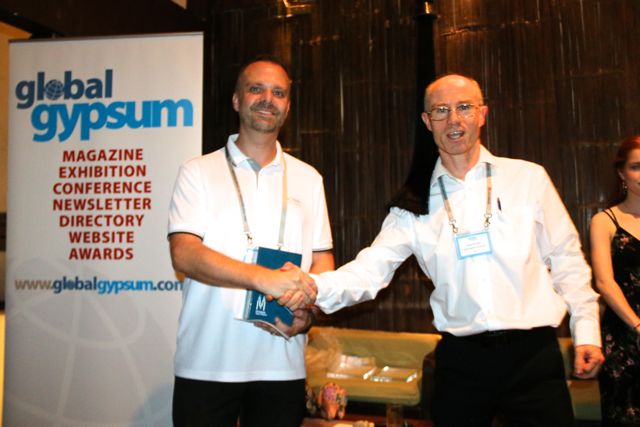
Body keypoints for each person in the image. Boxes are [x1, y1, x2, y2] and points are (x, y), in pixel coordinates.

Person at [304, 74, 604, 426]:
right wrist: (311, 286)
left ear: (482, 115)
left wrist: (587, 331)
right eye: (441, 110)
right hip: (462, 362)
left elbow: (567, 258)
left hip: (533, 356)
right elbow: (371, 270)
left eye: (464, 107)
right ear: (427, 121)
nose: (454, 120)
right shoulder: (413, 202)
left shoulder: (527, 178)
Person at [167, 56, 334, 427]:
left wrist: (308, 313)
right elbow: (184, 254)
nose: (267, 99)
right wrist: (263, 279)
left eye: (278, 92)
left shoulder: (309, 179)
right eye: (256, 89)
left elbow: (322, 261)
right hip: (207, 362)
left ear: (287, 106)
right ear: (236, 99)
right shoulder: (197, 171)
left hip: (282, 363)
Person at [589, 135, 640, 426]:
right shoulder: (605, 221)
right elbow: (604, 282)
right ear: (621, 173)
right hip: (624, 335)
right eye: (636, 166)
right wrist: (637, 326)